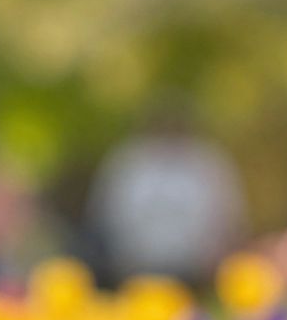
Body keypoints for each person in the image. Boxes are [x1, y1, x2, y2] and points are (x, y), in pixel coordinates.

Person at [85, 104, 245, 283]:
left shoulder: (209, 162)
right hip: (136, 269)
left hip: (195, 271)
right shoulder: (127, 163)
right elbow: (107, 215)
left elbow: (229, 217)